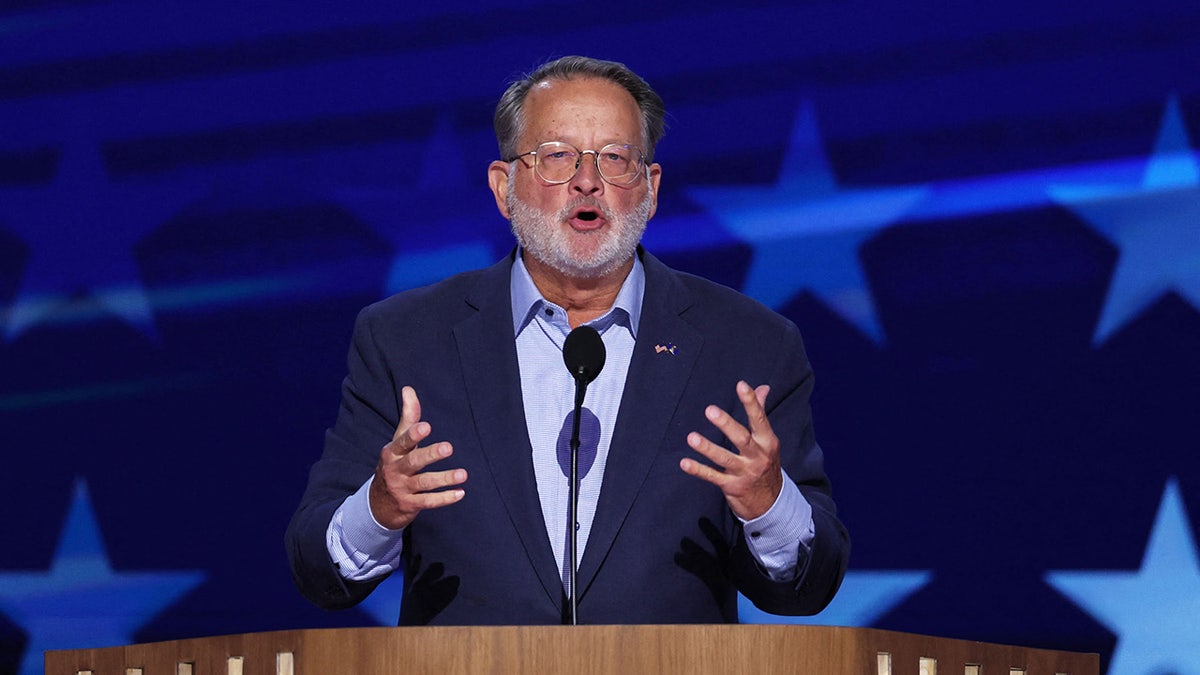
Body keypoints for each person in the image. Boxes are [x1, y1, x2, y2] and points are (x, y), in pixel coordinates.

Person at [286, 55, 849, 625]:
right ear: (504, 188)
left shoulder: (749, 344)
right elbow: (318, 569)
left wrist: (770, 506)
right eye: (557, 156)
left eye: (615, 158)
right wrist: (379, 509)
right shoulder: (404, 339)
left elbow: (810, 587)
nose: (588, 180)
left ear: (650, 190)